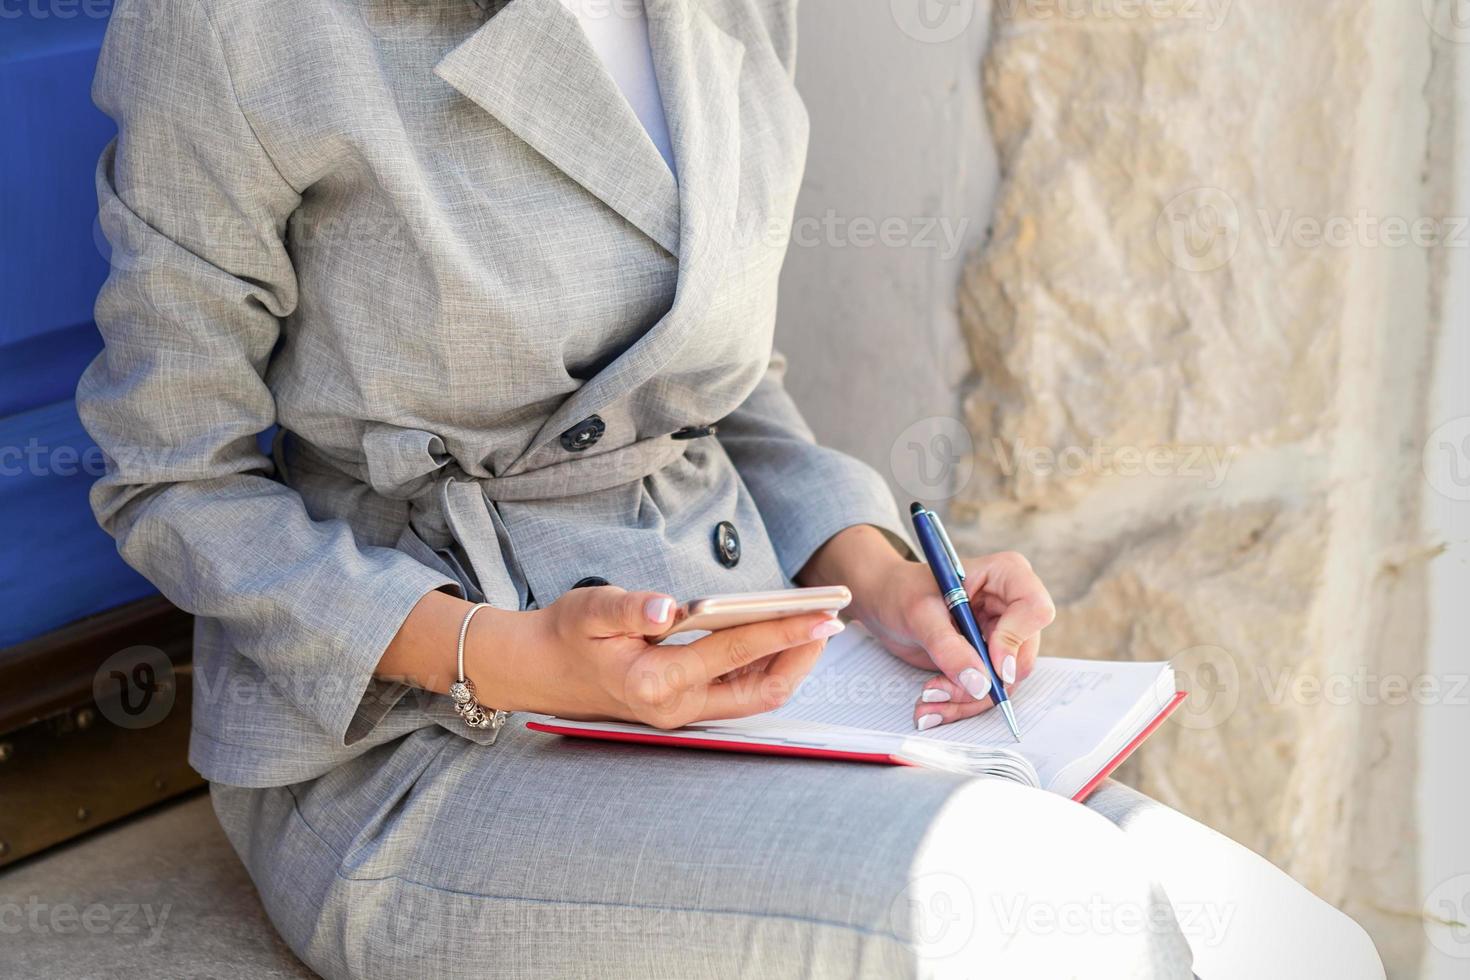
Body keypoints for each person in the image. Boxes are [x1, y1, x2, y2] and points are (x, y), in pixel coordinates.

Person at [79, 0, 1384, 976]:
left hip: (743, 674)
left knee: (1295, 948)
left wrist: (878, 579)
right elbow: (169, 473)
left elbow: (711, 378)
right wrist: (507, 656)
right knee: (1036, 905)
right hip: (420, 746)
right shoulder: (240, 26)